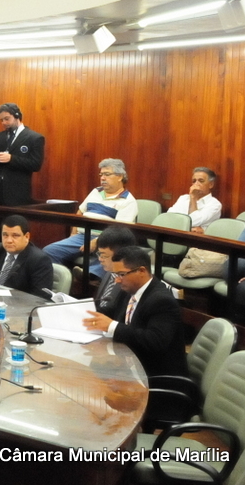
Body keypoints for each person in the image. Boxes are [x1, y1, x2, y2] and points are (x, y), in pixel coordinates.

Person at [84, 245, 187, 378]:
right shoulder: (129, 289)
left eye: (121, 274)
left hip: (154, 374)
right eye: (115, 275)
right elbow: (111, 312)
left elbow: (155, 341)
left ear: (141, 271)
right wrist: (83, 312)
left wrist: (112, 326)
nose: (117, 280)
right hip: (129, 364)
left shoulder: (162, 301)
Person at [43, 158, 138, 269]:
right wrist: (73, 233)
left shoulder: (128, 201)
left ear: (120, 176)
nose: (102, 178)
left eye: (107, 174)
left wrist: (97, 241)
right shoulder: (96, 191)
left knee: (110, 256)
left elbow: (119, 231)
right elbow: (80, 212)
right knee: (49, 251)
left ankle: (88, 275)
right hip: (81, 236)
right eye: (101, 174)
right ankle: (63, 276)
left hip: (107, 241)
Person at [0, 102, 45, 248]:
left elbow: (36, 164)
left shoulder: (34, 138)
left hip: (16, 195)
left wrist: (12, 159)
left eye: (7, 119)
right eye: (1, 120)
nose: (4, 123)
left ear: (17, 116)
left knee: (11, 234)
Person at [91, 225, 137, 316]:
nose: (100, 259)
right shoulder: (109, 272)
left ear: (122, 255)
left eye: (104, 256)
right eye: (99, 254)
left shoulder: (131, 283)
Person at [166, 167, 221, 233]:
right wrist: (187, 227)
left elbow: (192, 221)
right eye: (194, 181)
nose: (196, 184)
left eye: (201, 181)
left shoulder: (214, 204)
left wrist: (193, 198)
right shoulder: (183, 198)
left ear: (211, 184)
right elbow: (169, 217)